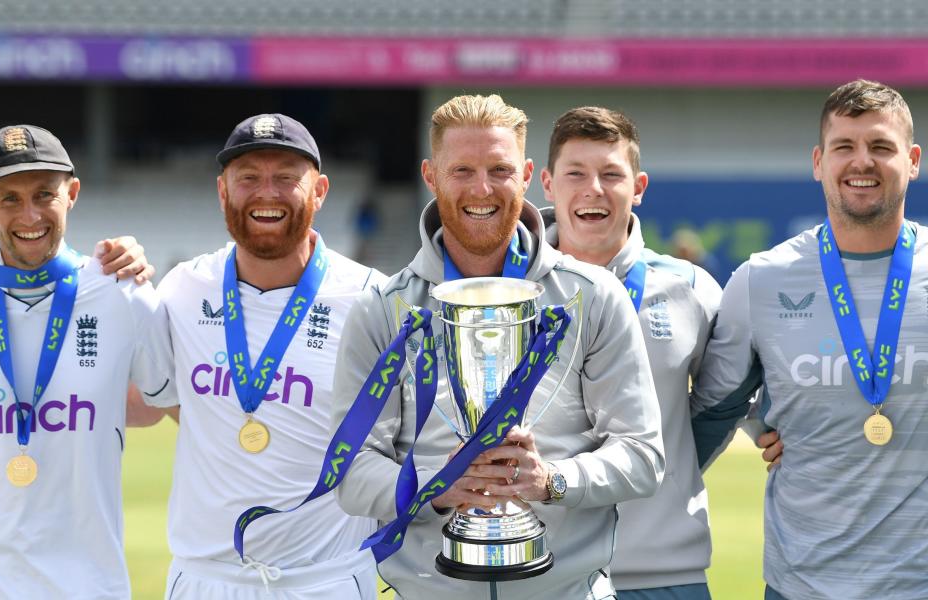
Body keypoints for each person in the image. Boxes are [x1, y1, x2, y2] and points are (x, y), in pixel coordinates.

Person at [332, 94, 664, 600]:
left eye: (500, 169)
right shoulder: (383, 308)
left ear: (528, 174)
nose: (481, 188)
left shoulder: (592, 297)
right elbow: (351, 470)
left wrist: (552, 479)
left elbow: (642, 455)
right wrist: (434, 485)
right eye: (461, 169)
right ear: (431, 175)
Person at [691, 79, 928, 599]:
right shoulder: (761, 279)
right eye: (845, 146)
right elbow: (712, 411)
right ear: (818, 161)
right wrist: (761, 420)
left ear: (912, 160)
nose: (861, 161)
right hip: (803, 586)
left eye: (881, 147)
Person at [150, 114, 385, 599]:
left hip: (327, 580)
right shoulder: (183, 288)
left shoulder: (371, 298)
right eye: (249, 178)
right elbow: (168, 400)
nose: (267, 193)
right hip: (205, 579)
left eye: (285, 177)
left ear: (319, 190)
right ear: (223, 191)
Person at [0, 124, 174, 598]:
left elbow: (167, 403)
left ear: (73, 193)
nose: (31, 214)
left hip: (90, 588)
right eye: (10, 199)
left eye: (45, 194)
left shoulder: (123, 291)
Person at [538, 106, 722, 599]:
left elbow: (729, 400)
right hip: (545, 577)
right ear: (547, 184)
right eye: (575, 173)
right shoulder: (510, 293)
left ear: (638, 186)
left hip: (665, 576)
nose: (593, 188)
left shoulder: (691, 289)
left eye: (611, 175)